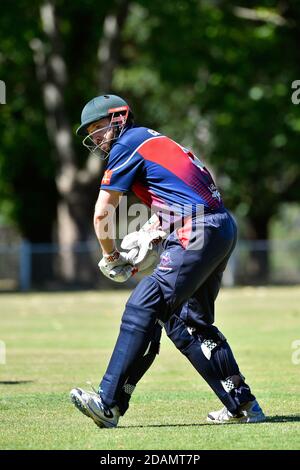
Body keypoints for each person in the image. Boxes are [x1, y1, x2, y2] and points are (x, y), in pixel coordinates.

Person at [70, 94, 265, 428]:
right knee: (188, 322)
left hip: (197, 229)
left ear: (119, 118)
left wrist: (111, 256)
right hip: (219, 225)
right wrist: (157, 227)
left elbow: (103, 212)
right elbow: (188, 191)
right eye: (92, 131)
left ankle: (108, 402)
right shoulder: (153, 139)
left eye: (100, 127)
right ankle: (242, 404)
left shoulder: (126, 144)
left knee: (142, 305)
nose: (98, 137)